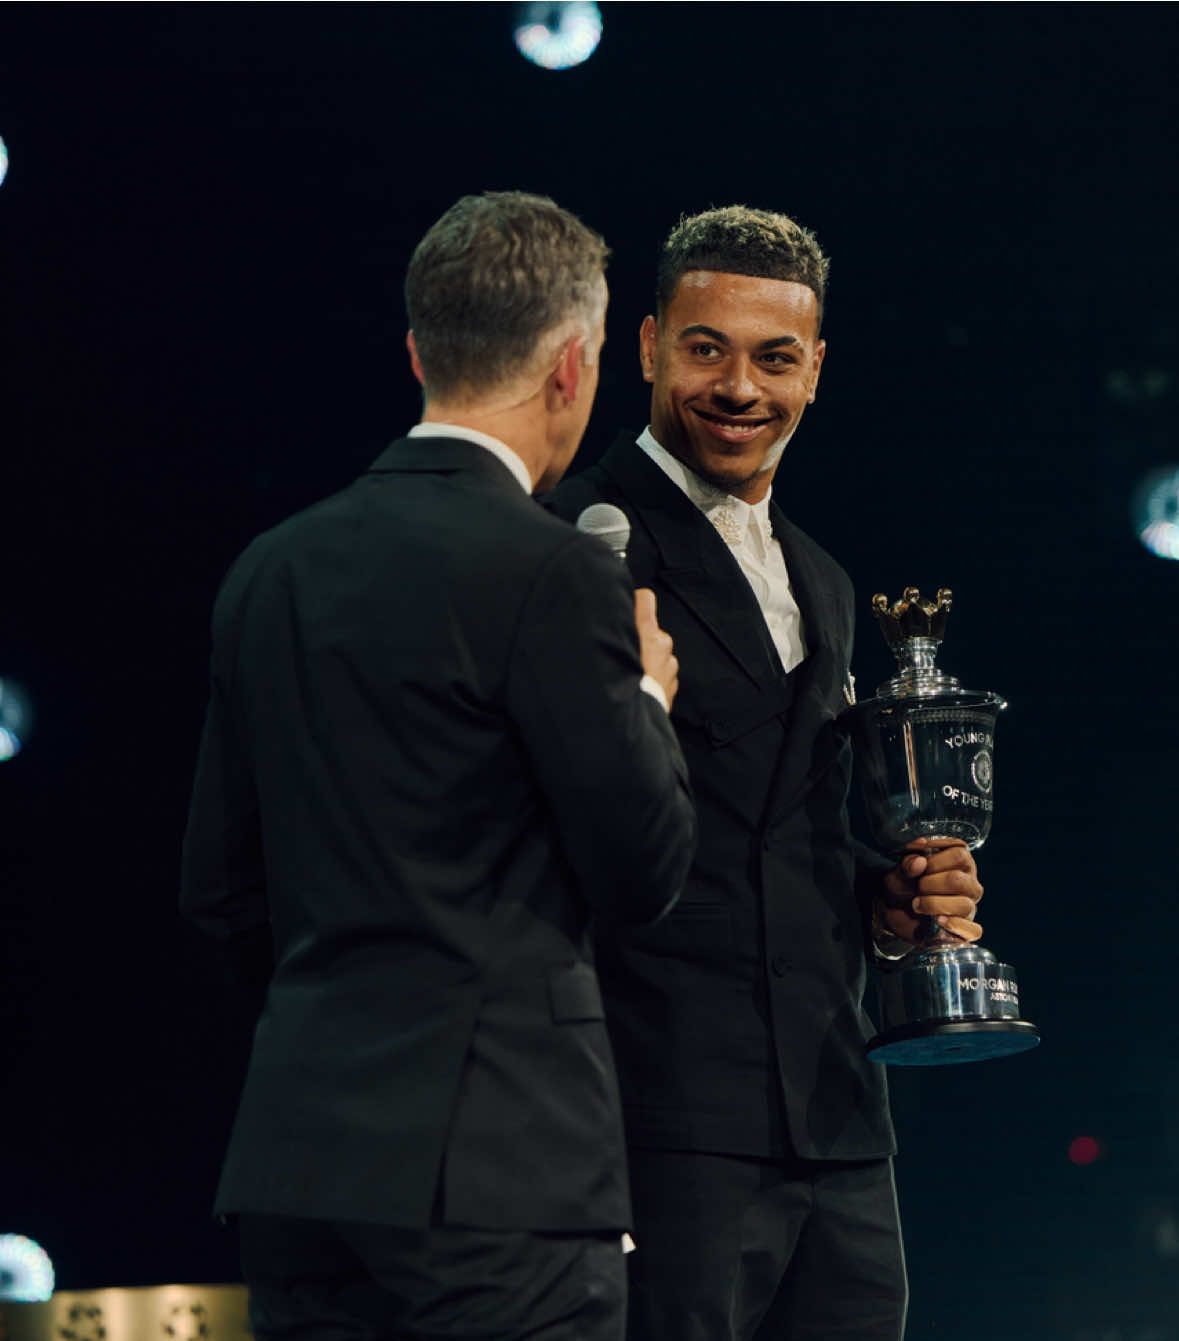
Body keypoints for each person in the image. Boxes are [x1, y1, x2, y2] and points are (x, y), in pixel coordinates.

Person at [179, 191, 696, 1341]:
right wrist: (649, 701)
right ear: (573, 365)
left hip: (304, 1170)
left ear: (420, 351)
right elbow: (642, 868)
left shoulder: (271, 571)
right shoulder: (552, 571)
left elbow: (219, 898)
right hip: (503, 1176)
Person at [545, 205, 985, 1341]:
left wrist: (886, 901)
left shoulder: (826, 581)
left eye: (775, 357)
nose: (741, 387)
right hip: (662, 1116)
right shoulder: (570, 547)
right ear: (646, 347)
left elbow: (779, 833)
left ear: (818, 370)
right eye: (707, 348)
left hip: (838, 1118)